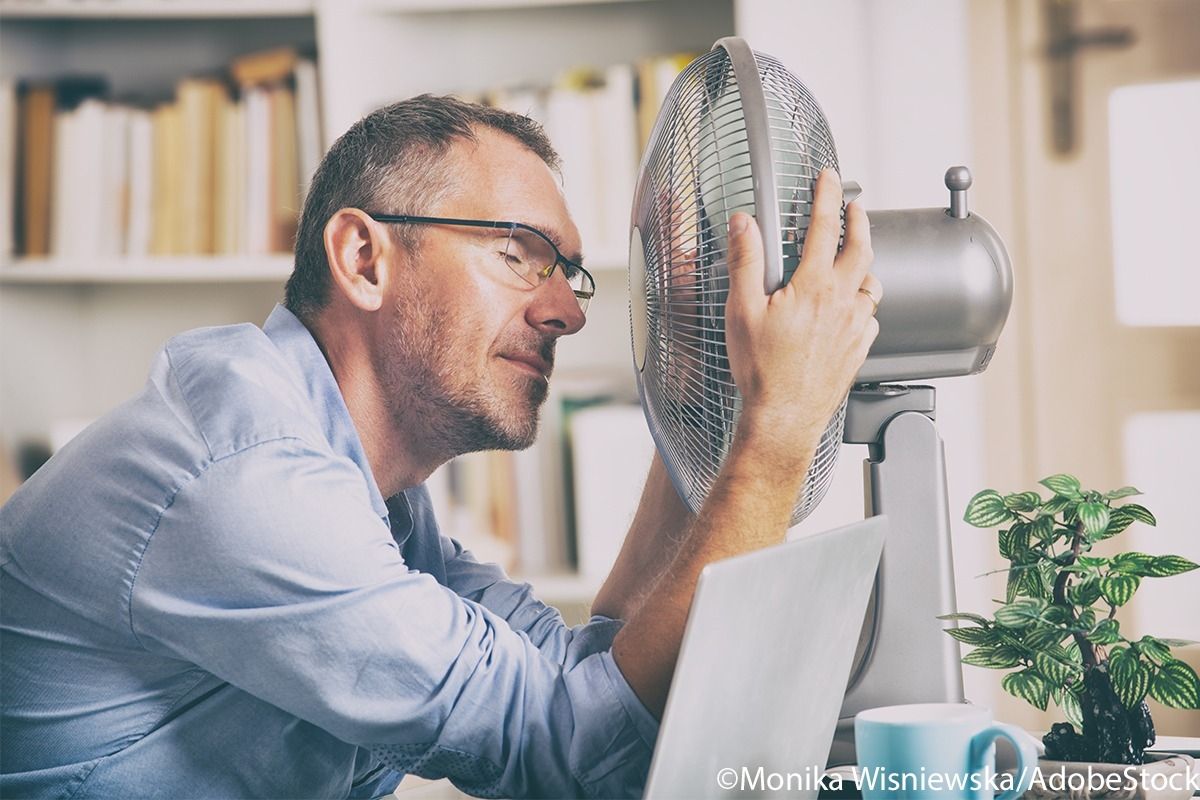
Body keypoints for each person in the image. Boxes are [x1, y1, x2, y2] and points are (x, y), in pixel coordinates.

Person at [0, 95, 881, 799]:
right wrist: (774, 434)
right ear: (364, 258)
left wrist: (701, 398)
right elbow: (572, 759)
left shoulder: (375, 499)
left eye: (569, 274)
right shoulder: (251, 480)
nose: (570, 311)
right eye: (519, 253)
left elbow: (590, 678)